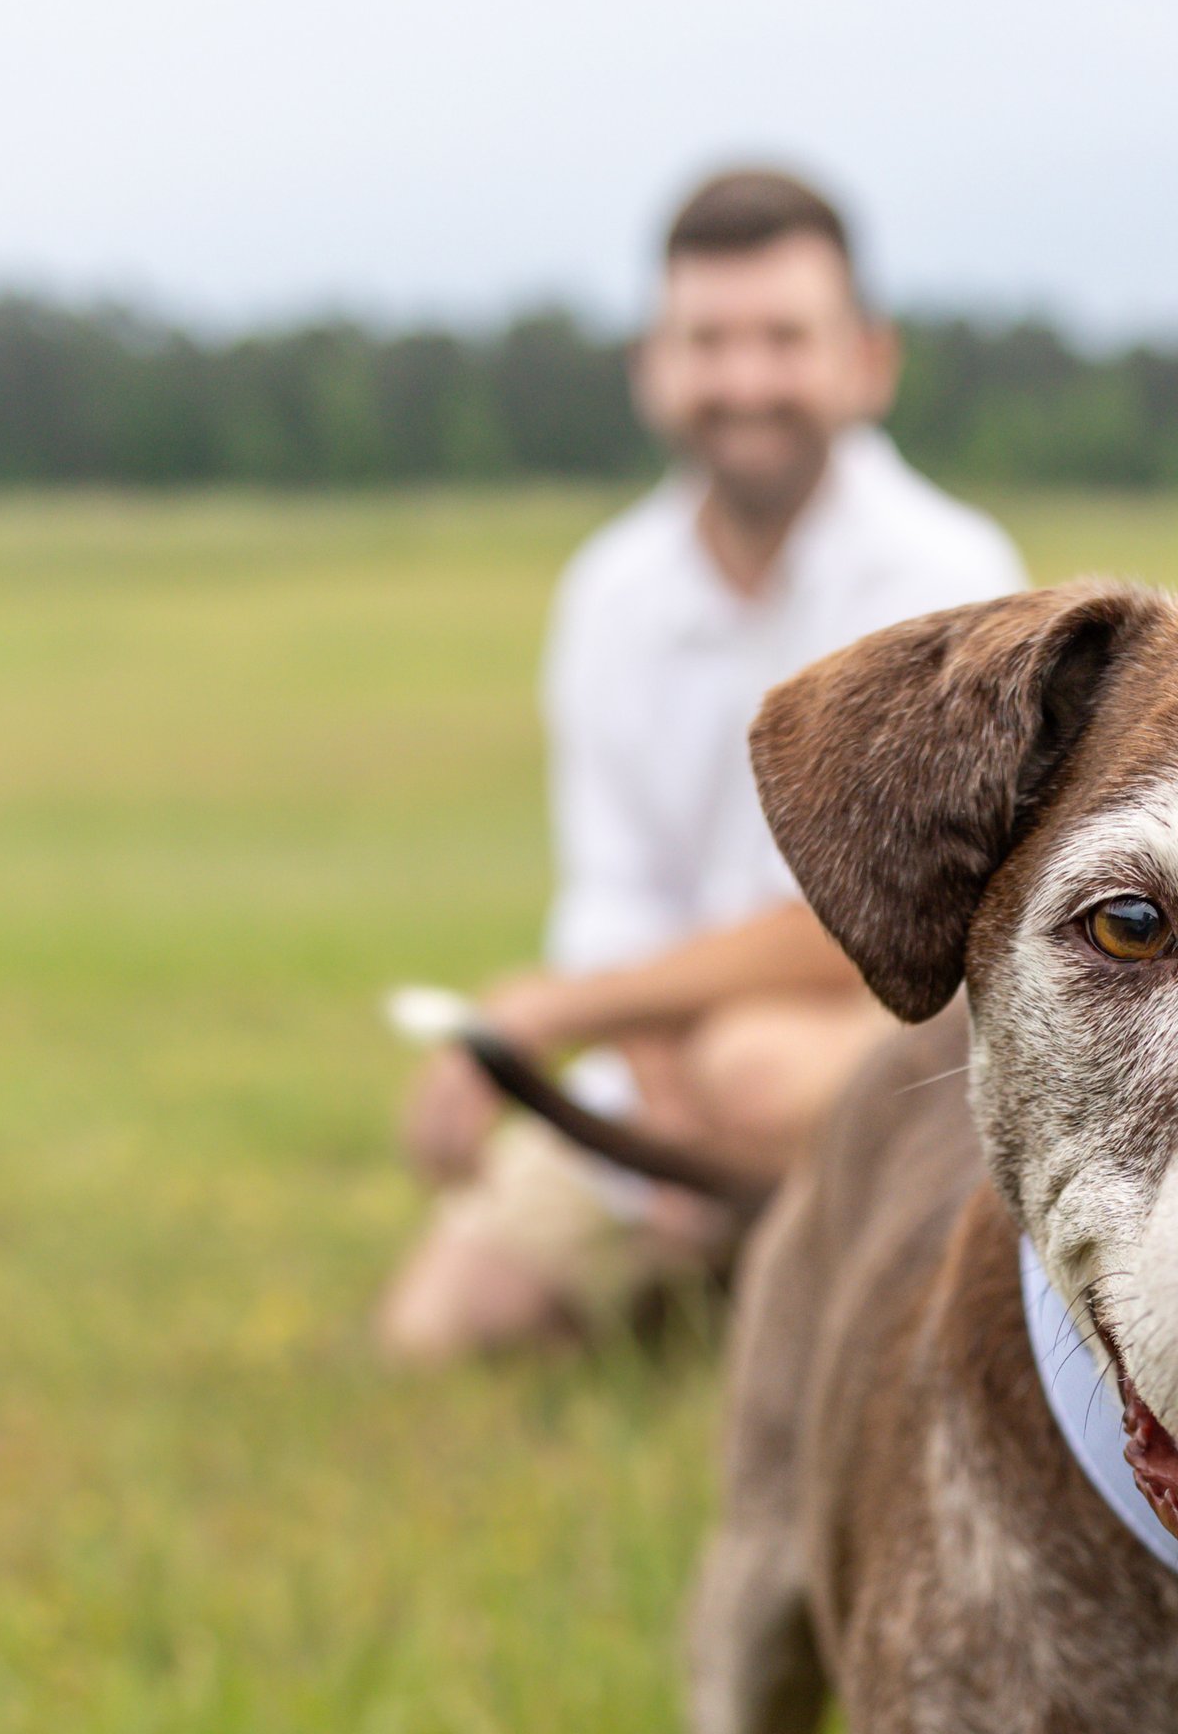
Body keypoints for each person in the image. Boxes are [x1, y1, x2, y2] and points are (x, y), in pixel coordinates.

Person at [382, 169, 1023, 1357]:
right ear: (652, 366)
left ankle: (810, 1274)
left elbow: (860, 923)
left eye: (784, 338)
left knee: (758, 1072)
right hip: (670, 1049)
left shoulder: (942, 572)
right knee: (442, 1325)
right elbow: (617, 896)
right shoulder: (613, 592)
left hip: (888, 1044)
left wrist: (553, 1016)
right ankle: (734, 1266)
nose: (743, 381)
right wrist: (640, 1058)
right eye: (707, 341)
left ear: (866, 360)